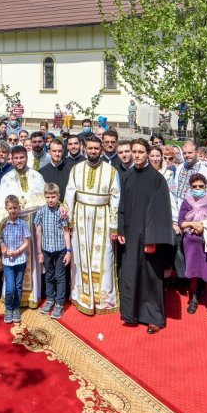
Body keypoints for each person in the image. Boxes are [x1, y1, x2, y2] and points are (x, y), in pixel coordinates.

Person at [116, 139, 174, 334]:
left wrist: (152, 239)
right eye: (134, 151)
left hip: (149, 236)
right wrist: (121, 229)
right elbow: (122, 205)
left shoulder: (157, 179)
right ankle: (131, 314)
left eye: (141, 152)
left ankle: (153, 317)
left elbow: (160, 211)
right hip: (131, 234)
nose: (137, 155)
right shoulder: (127, 175)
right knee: (131, 274)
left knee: (150, 276)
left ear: (148, 153)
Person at [66, 135, 122, 315]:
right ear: (85, 149)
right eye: (90, 148)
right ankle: (83, 296)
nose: (93, 151)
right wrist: (69, 221)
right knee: (81, 257)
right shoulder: (76, 169)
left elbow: (116, 198)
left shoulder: (111, 171)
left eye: (96, 148)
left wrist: (114, 226)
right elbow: (69, 195)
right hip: (81, 218)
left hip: (103, 218)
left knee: (104, 257)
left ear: (102, 149)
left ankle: (102, 300)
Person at [0, 144, 47, 310]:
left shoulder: (37, 176)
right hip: (12, 226)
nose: (19, 161)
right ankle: (11, 298)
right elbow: (1, 204)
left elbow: (44, 200)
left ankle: (33, 295)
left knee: (32, 259)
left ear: (27, 157)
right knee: (13, 260)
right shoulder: (6, 178)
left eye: (22, 157)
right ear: (11, 159)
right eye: (16, 158)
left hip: (32, 224)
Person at [178, 173, 207, 317]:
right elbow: (181, 222)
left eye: (200, 186)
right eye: (194, 187)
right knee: (193, 273)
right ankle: (194, 299)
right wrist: (192, 224)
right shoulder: (187, 201)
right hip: (191, 243)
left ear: (206, 187)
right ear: (190, 187)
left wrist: (203, 225)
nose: (197, 189)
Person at [33, 182, 71, 319]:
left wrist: (68, 251)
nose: (50, 200)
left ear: (58, 196)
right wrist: (39, 252)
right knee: (49, 275)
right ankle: (50, 300)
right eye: (48, 197)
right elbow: (38, 233)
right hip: (46, 250)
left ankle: (59, 304)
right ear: (45, 197)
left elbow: (66, 232)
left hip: (60, 250)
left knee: (60, 276)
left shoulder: (61, 213)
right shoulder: (41, 212)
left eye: (53, 197)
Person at [0, 195, 31, 324]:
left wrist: (17, 251)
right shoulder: (3, 224)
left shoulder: (23, 224)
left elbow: (26, 242)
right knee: (10, 288)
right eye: (10, 208)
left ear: (19, 208)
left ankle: (16, 308)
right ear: (6, 209)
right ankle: (8, 308)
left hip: (20, 260)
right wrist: (3, 246)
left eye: (15, 208)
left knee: (18, 286)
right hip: (7, 262)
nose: (13, 210)